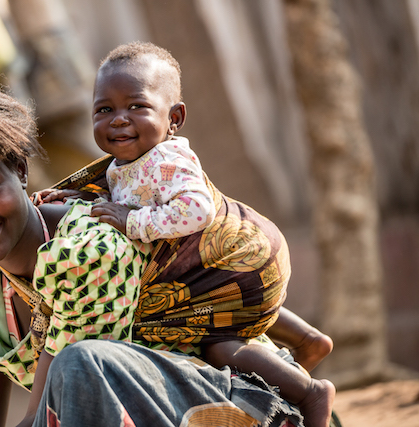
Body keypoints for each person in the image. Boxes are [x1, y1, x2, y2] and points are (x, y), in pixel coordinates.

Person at [0, 79, 311, 427]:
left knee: (79, 365)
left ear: (20, 170)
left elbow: (46, 416)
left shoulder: (87, 250)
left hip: (240, 406)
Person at [33, 41, 335, 427]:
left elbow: (197, 210)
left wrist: (132, 223)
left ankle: (310, 393)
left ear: (174, 118)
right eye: (104, 109)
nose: (119, 119)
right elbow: (129, 194)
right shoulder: (126, 161)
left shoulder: (168, 158)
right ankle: (308, 340)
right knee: (215, 304)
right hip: (228, 263)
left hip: (239, 256)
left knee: (218, 343)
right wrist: (80, 196)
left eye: (136, 106)